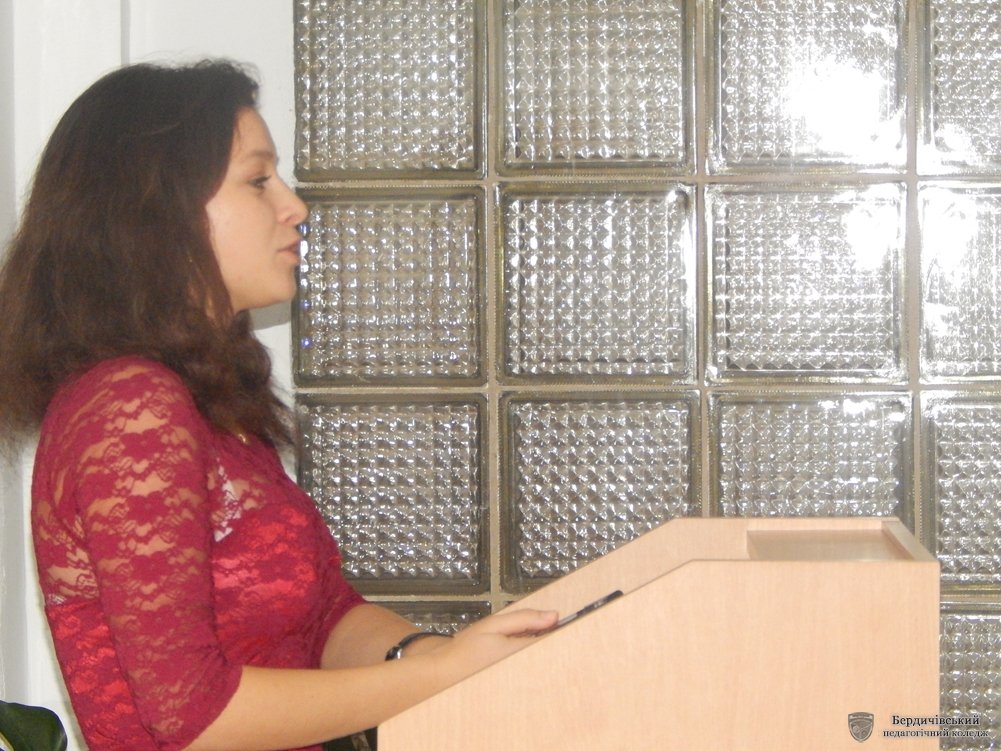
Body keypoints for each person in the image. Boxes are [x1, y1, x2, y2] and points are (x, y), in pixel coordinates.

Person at [0, 60, 557, 751]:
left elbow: (323, 616)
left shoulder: (209, 402)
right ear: (157, 208)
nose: (294, 207)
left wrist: (432, 654)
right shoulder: (129, 407)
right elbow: (193, 716)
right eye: (258, 181)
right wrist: (436, 678)